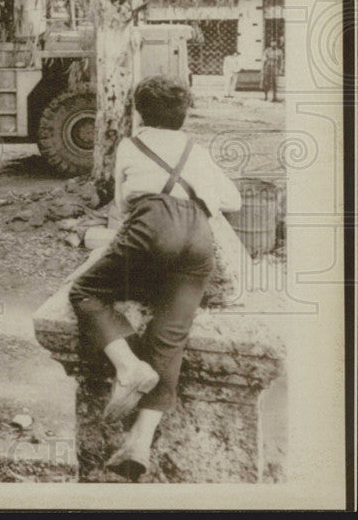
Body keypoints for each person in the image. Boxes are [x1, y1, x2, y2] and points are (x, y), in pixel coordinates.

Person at [67, 75, 241, 481]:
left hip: (150, 229)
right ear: (184, 115)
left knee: (86, 291)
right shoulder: (196, 149)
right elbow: (230, 200)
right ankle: (140, 443)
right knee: (170, 336)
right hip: (198, 241)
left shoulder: (130, 144)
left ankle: (127, 366)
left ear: (140, 113)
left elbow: (124, 202)